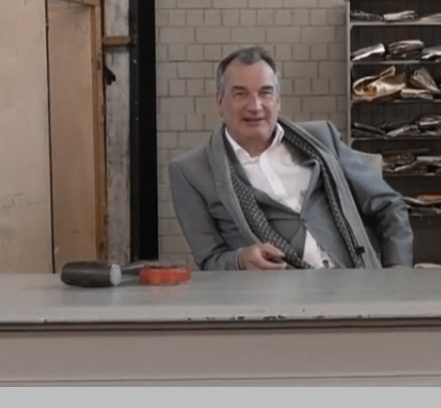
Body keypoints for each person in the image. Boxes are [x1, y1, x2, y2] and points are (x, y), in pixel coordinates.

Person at [168, 46, 413, 271]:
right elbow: (209, 259)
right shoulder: (190, 172)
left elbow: (388, 205)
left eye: (265, 93)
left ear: (278, 100)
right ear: (219, 102)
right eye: (240, 94)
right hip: (275, 299)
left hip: (358, 284)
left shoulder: (322, 138)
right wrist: (240, 260)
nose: (255, 106)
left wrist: (397, 271)